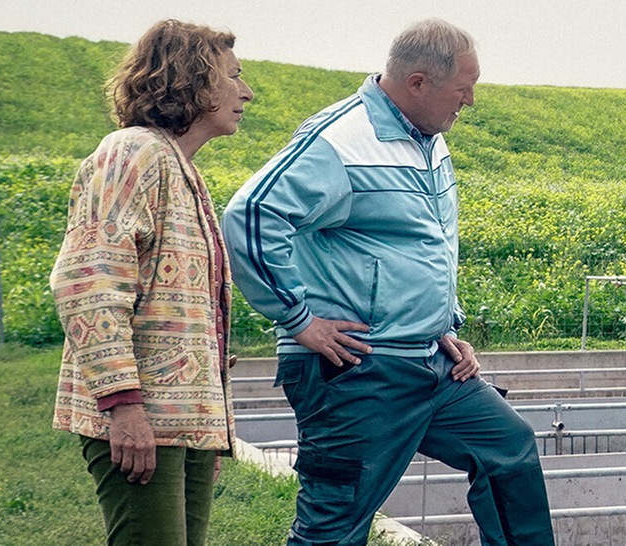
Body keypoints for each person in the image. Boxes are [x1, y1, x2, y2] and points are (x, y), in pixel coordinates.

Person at [223, 18, 554, 545]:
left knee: (508, 447)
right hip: (358, 368)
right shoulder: (340, 138)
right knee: (336, 521)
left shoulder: (429, 141)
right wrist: (298, 319)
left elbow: (420, 245)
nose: (470, 102)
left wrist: (440, 323)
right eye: (463, 89)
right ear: (418, 82)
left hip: (428, 362)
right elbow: (252, 216)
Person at [50, 19, 252, 546]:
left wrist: (208, 426)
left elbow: (186, 312)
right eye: (233, 77)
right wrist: (124, 407)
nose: (246, 92)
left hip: (179, 422)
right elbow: (86, 282)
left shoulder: (180, 168)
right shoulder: (132, 153)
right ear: (193, 81)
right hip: (143, 418)